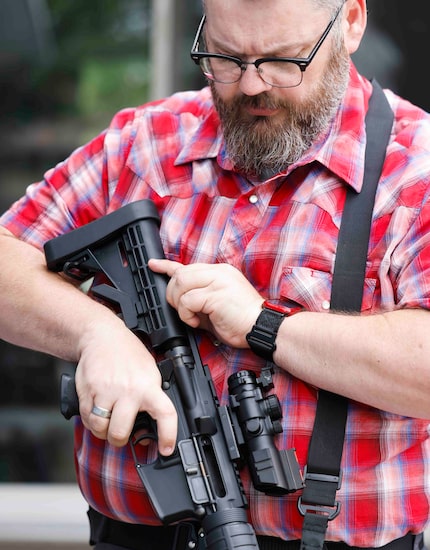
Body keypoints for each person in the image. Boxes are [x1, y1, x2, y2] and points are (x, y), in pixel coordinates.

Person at [1, 0, 430, 549]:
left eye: (283, 61)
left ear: (349, 24)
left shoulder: (413, 168)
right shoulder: (145, 142)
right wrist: (98, 335)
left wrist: (266, 324)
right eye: (226, 57)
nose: (251, 86)